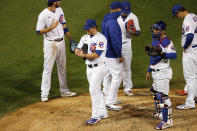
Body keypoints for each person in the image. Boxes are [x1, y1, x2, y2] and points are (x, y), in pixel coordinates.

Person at [36, 0, 77, 102]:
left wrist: (71, 38)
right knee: (47, 69)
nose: (60, 1)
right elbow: (38, 31)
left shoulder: (59, 10)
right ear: (54, 2)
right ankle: (44, 94)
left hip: (61, 42)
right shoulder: (43, 15)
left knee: (62, 67)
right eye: (58, 0)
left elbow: (64, 25)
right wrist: (52, 27)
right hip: (51, 44)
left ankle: (64, 91)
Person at [75, 19, 108, 125]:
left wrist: (83, 55)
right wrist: (77, 50)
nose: (87, 31)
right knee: (97, 90)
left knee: (93, 90)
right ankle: (103, 112)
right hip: (89, 68)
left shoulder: (101, 38)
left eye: (88, 29)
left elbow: (96, 55)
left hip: (99, 68)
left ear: (94, 27)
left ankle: (95, 116)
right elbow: (78, 48)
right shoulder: (84, 38)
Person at [146, 21, 177, 130]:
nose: (155, 31)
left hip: (163, 73)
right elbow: (152, 58)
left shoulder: (166, 42)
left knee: (163, 96)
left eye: (157, 29)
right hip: (155, 72)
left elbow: (174, 55)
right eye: (154, 29)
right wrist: (148, 70)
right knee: (154, 92)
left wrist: (163, 54)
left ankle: (168, 120)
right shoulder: (155, 40)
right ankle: (160, 113)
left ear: (163, 31)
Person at [172, 4, 197, 109]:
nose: (177, 17)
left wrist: (185, 46)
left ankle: (190, 102)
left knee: (190, 77)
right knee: (195, 75)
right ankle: (195, 96)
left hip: (191, 50)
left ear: (179, 12)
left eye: (176, 15)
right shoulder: (194, 16)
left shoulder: (187, 19)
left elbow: (190, 35)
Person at [101, 1, 123, 111]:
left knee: (109, 75)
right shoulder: (113, 23)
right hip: (112, 53)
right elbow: (115, 40)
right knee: (117, 76)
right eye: (120, 10)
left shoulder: (106, 19)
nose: (121, 12)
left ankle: (108, 97)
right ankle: (110, 101)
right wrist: (119, 54)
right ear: (116, 10)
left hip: (106, 53)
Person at [117, 1, 140, 96]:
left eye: (127, 10)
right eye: (124, 10)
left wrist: (132, 31)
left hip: (126, 43)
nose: (126, 12)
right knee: (114, 67)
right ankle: (111, 88)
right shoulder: (115, 16)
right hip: (116, 44)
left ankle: (128, 88)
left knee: (127, 67)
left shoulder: (133, 17)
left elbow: (138, 32)